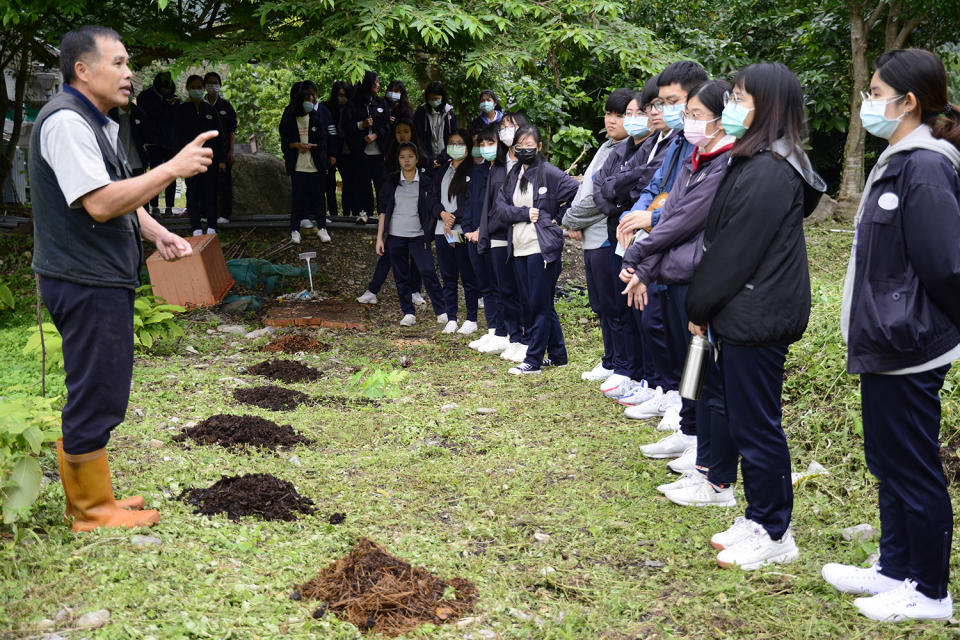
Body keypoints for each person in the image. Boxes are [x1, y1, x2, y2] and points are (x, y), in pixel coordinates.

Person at [30, 25, 213, 531]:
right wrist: (173, 167)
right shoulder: (67, 123)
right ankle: (89, 511)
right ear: (82, 70)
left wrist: (155, 233)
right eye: (118, 63)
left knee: (104, 384)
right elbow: (102, 202)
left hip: (98, 276)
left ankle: (97, 496)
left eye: (128, 63)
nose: (129, 74)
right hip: (83, 277)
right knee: (96, 388)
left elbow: (116, 193)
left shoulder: (97, 122)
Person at [822, 48, 960, 623]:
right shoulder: (897, 159)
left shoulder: (925, 165)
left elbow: (946, 266)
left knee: (911, 463)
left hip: (910, 343)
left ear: (909, 102)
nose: (867, 101)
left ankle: (929, 590)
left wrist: (921, 327)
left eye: (875, 91)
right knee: (888, 458)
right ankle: (894, 566)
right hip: (885, 340)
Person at [684, 62, 826, 570]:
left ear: (768, 106)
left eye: (740, 98)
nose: (730, 107)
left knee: (757, 425)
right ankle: (758, 514)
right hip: (745, 309)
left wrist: (697, 306)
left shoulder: (770, 169)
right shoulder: (757, 158)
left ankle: (774, 529)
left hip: (758, 312)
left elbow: (735, 251)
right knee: (747, 420)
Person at [618, 79, 736, 477]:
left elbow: (682, 221)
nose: (684, 121)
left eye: (690, 112)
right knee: (688, 360)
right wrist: (645, 270)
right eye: (682, 114)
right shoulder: (692, 157)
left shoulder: (725, 164)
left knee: (699, 363)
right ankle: (689, 430)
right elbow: (668, 216)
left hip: (698, 275)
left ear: (721, 119)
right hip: (672, 269)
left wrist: (636, 255)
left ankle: (703, 444)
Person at [613, 61, 708, 421]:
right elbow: (655, 188)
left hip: (685, 254)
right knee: (659, 324)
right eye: (662, 103)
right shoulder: (679, 142)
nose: (665, 110)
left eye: (673, 102)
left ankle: (687, 414)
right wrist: (635, 216)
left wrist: (650, 219)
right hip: (661, 249)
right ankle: (672, 398)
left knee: (684, 339)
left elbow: (689, 209)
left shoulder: (710, 149)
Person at [592, 75, 670, 400]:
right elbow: (603, 186)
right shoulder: (633, 147)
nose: (649, 115)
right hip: (626, 237)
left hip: (657, 242)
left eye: (654, 107)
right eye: (646, 108)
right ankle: (642, 378)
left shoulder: (669, 144)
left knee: (655, 319)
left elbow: (651, 187)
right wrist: (628, 204)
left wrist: (638, 207)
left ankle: (661, 387)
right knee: (629, 311)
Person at [492, 124, 580, 375]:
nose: (525, 150)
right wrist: (524, 214)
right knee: (536, 303)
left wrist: (557, 217)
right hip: (518, 247)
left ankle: (533, 359)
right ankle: (558, 354)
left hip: (541, 248)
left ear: (540, 147)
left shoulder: (549, 173)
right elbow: (501, 208)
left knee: (537, 306)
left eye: (530, 146)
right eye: (520, 147)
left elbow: (578, 192)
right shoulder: (514, 174)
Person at [562, 88, 633, 385]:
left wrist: (570, 218)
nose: (612, 120)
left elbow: (604, 197)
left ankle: (623, 366)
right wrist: (574, 219)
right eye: (609, 113)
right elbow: (585, 189)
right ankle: (609, 359)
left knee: (614, 305)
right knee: (601, 304)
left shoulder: (629, 150)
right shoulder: (606, 147)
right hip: (591, 236)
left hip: (607, 237)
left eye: (620, 115)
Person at [375, 141, 447, 326]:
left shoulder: (426, 181)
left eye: (410, 157)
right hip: (395, 235)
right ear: (398, 160)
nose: (406, 161)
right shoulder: (391, 181)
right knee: (401, 275)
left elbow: (432, 206)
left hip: (418, 235)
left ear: (417, 158)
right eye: (402, 157)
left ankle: (441, 310)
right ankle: (408, 312)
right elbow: (383, 211)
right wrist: (379, 239)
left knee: (428, 271)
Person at [357, 117, 424, 305]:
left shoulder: (421, 158)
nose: (402, 135)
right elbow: (385, 190)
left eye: (406, 131)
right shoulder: (390, 158)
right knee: (389, 252)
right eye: (398, 132)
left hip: (417, 220)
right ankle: (373, 290)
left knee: (417, 255)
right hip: (396, 217)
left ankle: (415, 291)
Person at [486, 113, 530, 361]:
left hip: (524, 235)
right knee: (505, 290)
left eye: (510, 126)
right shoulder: (498, 165)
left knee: (523, 290)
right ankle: (514, 337)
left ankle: (527, 339)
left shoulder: (531, 164)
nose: (505, 131)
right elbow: (489, 205)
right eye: (502, 127)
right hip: (500, 235)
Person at [434, 128, 480, 334]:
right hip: (440, 229)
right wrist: (442, 215)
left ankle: (471, 318)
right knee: (448, 275)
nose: (455, 146)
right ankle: (451, 317)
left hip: (462, 230)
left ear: (468, 148)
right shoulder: (442, 170)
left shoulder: (474, 172)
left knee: (467, 275)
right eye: (452, 142)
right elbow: (431, 198)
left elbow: (471, 203)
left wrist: (452, 219)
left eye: (460, 143)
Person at [279, 85, 337, 244]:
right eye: (307, 100)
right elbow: (285, 142)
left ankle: (322, 228)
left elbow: (324, 139)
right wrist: (296, 145)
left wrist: (314, 146)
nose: (310, 104)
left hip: (315, 164)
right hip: (298, 165)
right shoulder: (290, 118)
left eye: (312, 100)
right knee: (298, 199)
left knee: (319, 197)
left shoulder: (317, 118)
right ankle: (295, 230)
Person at [464, 125, 501, 350]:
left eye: (490, 143)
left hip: (494, 236)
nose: (485, 148)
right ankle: (492, 330)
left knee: (498, 286)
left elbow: (497, 207)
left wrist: (482, 230)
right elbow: (470, 203)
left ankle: (503, 332)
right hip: (473, 236)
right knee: (485, 287)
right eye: (482, 144)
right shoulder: (478, 171)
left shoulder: (504, 171)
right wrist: (469, 229)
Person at [174, 74, 226, 235]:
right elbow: (177, 137)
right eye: (193, 87)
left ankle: (211, 225)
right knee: (193, 192)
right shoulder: (181, 110)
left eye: (199, 87)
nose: (197, 90)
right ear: (188, 89)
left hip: (209, 160)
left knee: (210, 192)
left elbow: (220, 137)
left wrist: (221, 159)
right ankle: (195, 226)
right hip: (189, 160)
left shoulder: (210, 110)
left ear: (203, 89)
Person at [343, 71, 391, 224]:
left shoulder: (382, 103)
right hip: (360, 152)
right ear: (367, 84)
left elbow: (387, 125)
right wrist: (361, 125)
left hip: (379, 152)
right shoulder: (352, 104)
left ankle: (383, 215)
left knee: (381, 185)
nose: (378, 85)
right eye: (375, 82)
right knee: (362, 184)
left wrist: (376, 135)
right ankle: (363, 213)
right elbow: (345, 127)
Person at [137, 71, 179, 215]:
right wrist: (164, 105)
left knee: (171, 175)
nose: (166, 87)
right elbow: (146, 116)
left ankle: (169, 207)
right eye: (163, 84)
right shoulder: (145, 96)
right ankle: (154, 206)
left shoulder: (174, 98)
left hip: (170, 142)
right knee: (154, 174)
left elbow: (174, 120)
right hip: (152, 142)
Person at [203, 71, 237, 226]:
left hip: (223, 151)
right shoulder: (200, 105)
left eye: (215, 82)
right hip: (203, 151)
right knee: (205, 184)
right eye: (209, 82)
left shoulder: (226, 106)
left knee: (224, 184)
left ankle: (224, 214)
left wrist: (231, 150)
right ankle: (204, 213)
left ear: (220, 85)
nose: (212, 85)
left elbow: (231, 130)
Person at [413, 81, 458, 177]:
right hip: (426, 159)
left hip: (446, 159)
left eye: (437, 99)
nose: (433, 101)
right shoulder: (421, 112)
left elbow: (453, 138)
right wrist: (429, 159)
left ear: (443, 97)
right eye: (431, 99)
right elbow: (418, 137)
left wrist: (442, 158)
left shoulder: (450, 113)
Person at [323, 80, 351, 220]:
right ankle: (333, 213)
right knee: (329, 185)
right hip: (330, 150)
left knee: (348, 183)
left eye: (344, 95)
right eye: (340, 95)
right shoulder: (326, 108)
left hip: (346, 151)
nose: (342, 98)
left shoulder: (350, 108)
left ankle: (347, 214)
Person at [108, 92, 149, 178]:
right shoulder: (110, 114)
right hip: (116, 163)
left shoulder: (139, 114)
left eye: (129, 91)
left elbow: (146, 137)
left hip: (137, 162)